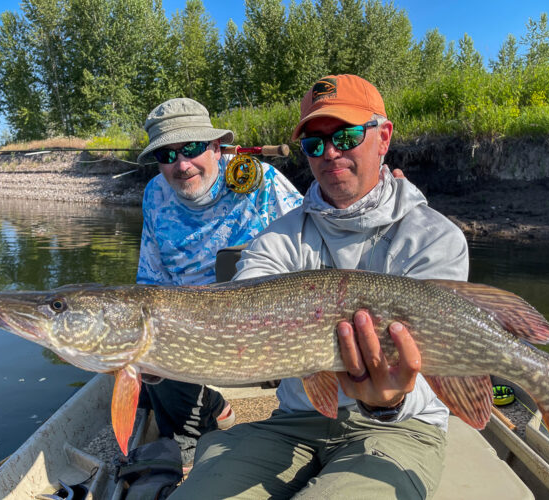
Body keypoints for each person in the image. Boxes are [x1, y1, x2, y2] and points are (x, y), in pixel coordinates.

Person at [172, 75, 469, 499]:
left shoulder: (435, 238)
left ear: (382, 137)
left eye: (345, 136)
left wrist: (386, 402)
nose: (330, 153)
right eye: (314, 143)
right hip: (296, 420)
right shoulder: (280, 236)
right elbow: (238, 311)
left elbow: (438, 363)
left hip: (400, 427)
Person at [135, 97, 303, 464]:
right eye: (167, 154)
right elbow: (150, 279)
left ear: (215, 146)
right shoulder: (155, 195)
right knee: (145, 352)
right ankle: (203, 413)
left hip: (269, 326)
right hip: (187, 329)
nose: (182, 165)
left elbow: (314, 243)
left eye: (192, 149)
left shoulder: (260, 180)